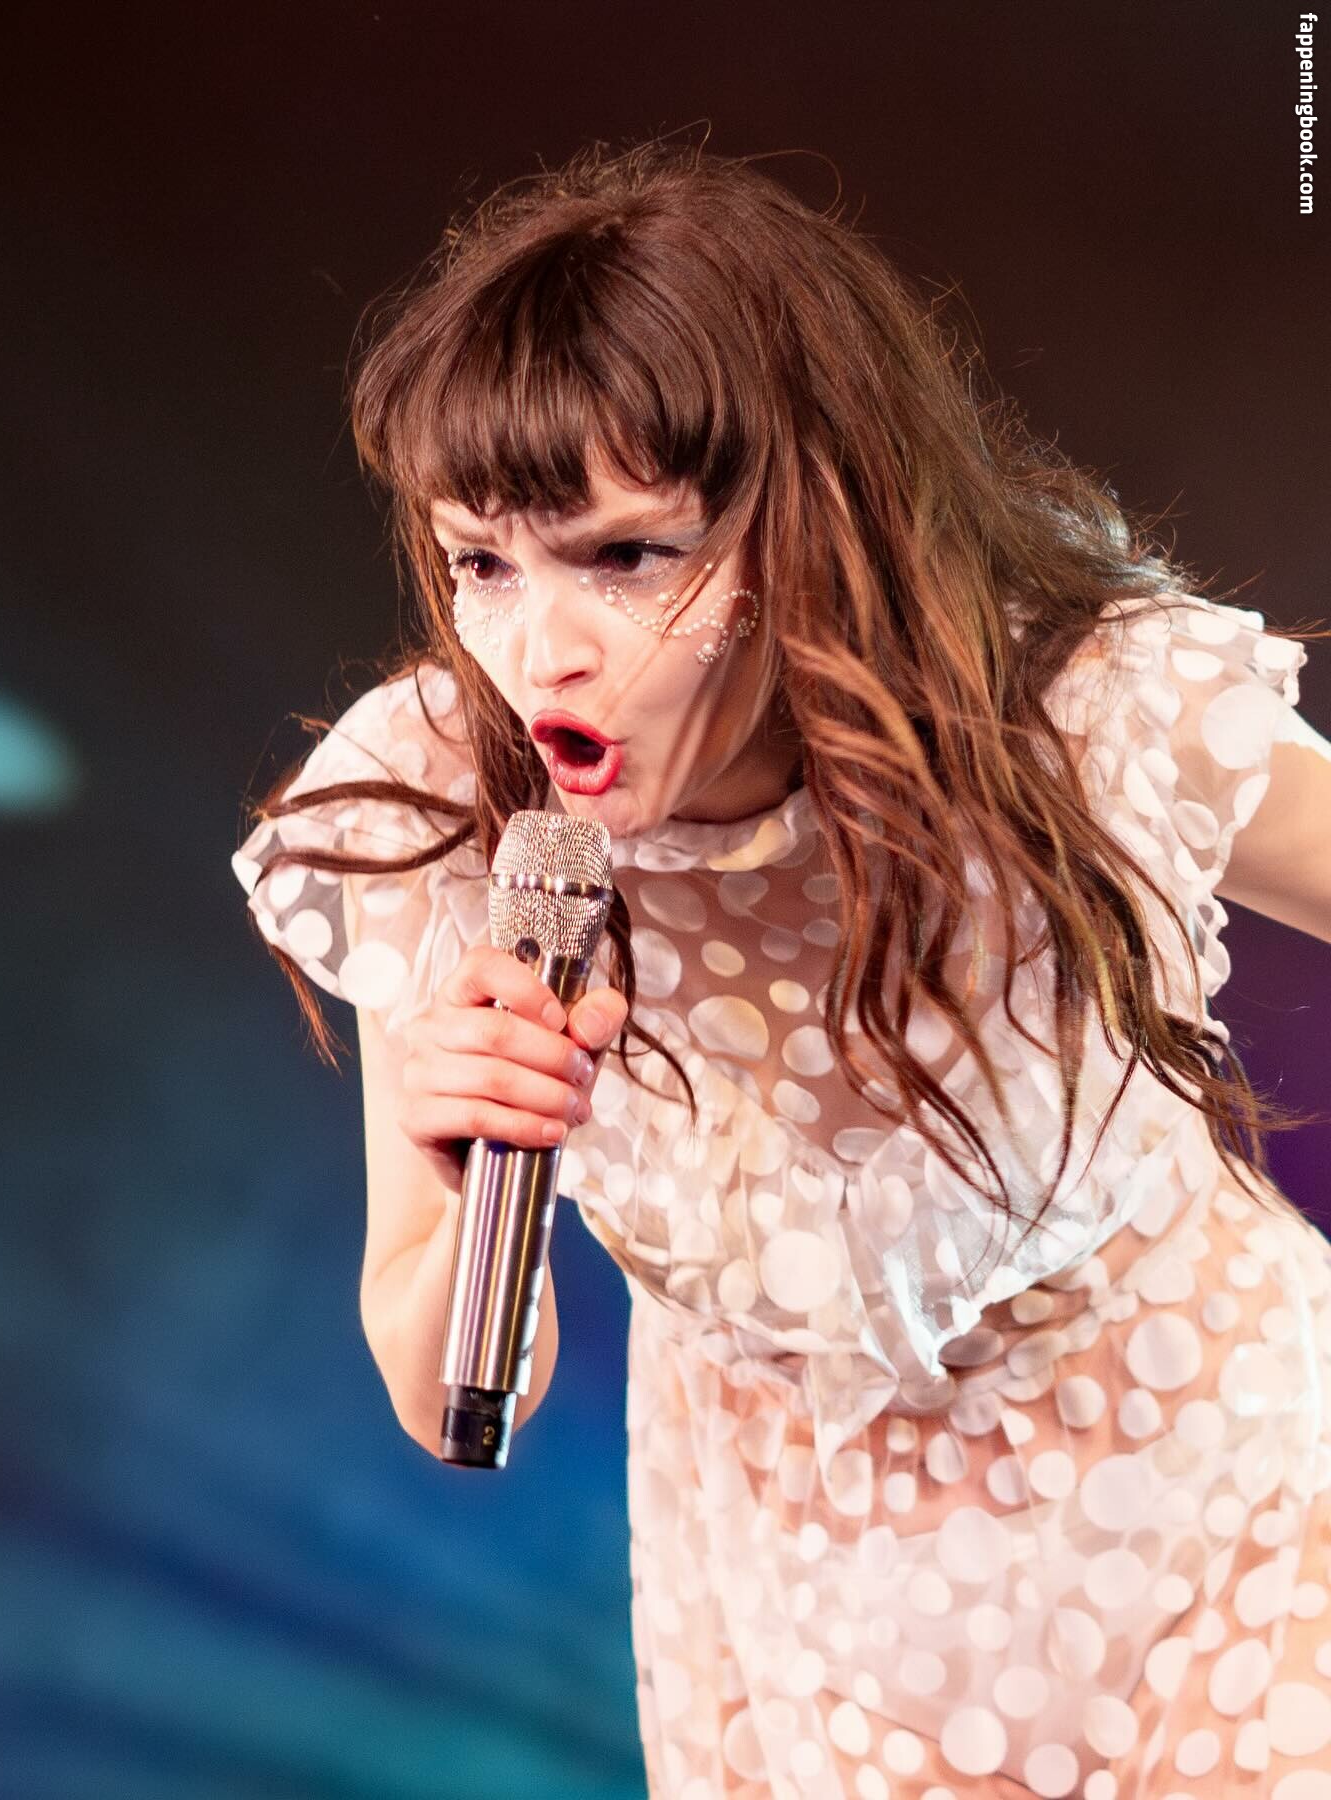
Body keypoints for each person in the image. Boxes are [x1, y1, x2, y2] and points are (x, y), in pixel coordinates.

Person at [231, 139, 1331, 1797]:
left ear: (808, 521)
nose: (539, 652)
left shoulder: (1072, 721)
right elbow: (449, 1385)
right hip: (812, 1633)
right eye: (483, 564)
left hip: (1223, 1516)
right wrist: (465, 1188)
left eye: (626, 557)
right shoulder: (460, 814)